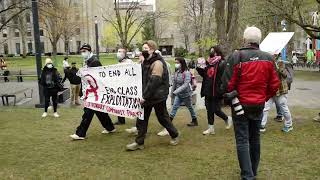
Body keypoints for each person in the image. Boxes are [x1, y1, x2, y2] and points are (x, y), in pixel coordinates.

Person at [221, 26, 280, 179]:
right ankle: (252, 172)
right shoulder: (268, 58)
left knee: (242, 140)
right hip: (257, 104)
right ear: (259, 40)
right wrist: (264, 97)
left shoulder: (236, 56)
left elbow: (227, 84)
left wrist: (234, 96)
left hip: (240, 105)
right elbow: (275, 84)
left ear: (245, 40)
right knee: (255, 139)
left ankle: (248, 175)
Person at [126, 40, 179, 151]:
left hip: (157, 97)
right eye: (143, 48)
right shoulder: (146, 61)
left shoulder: (158, 63)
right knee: (142, 119)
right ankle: (139, 142)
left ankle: (174, 135)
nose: (143, 50)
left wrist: (144, 96)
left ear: (152, 49)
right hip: (148, 95)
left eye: (145, 48)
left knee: (162, 118)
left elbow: (154, 81)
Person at [70, 44, 116, 140]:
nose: (83, 53)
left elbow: (99, 78)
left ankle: (80, 133)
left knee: (88, 112)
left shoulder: (94, 62)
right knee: (99, 111)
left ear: (90, 51)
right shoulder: (88, 62)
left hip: (94, 92)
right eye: (82, 51)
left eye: (85, 51)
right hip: (91, 92)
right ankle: (110, 127)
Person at [157, 57, 198, 136]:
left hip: (186, 94)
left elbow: (186, 84)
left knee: (190, 107)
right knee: (174, 108)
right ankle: (168, 126)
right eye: (175, 62)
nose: (176, 64)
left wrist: (176, 91)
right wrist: (172, 93)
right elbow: (174, 83)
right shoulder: (177, 72)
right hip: (178, 94)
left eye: (177, 62)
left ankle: (194, 120)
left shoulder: (186, 72)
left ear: (181, 63)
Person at [196, 45, 232, 135]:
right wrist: (199, 68)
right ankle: (210, 128)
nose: (211, 53)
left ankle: (227, 118)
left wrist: (222, 89)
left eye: (213, 51)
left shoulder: (222, 63)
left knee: (216, 109)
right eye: (210, 51)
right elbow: (205, 75)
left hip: (216, 90)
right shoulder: (209, 63)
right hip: (208, 89)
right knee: (209, 109)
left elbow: (225, 77)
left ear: (217, 52)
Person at [260, 59, 294, 133]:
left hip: (281, 90)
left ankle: (289, 125)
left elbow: (285, 75)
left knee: (283, 107)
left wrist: (279, 68)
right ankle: (262, 125)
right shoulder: (266, 62)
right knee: (265, 107)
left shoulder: (281, 63)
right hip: (270, 90)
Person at [114, 48, 133, 125]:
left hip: (128, 87)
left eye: (120, 52)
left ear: (124, 54)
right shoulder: (119, 63)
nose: (118, 53)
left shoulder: (129, 62)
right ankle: (121, 120)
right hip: (120, 86)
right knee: (119, 103)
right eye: (118, 51)